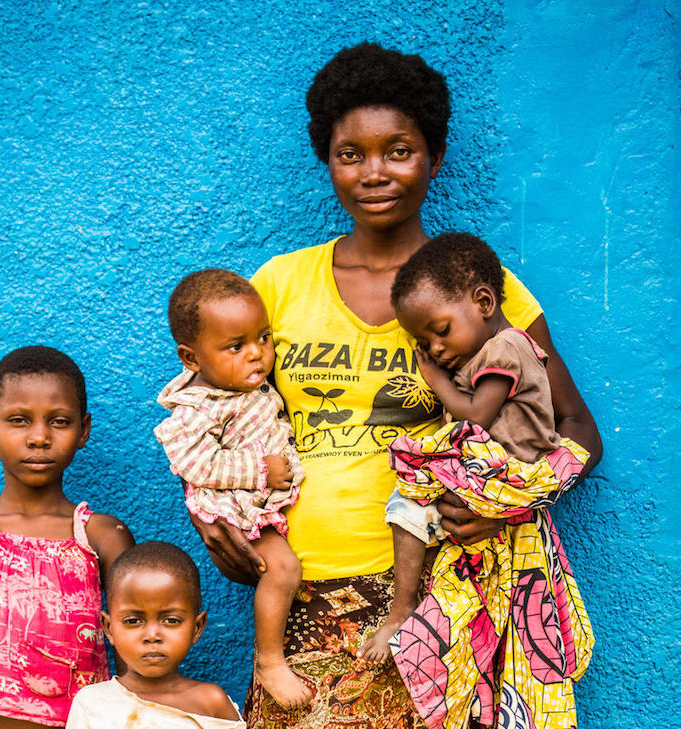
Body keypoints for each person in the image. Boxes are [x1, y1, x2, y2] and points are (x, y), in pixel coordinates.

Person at [189, 43, 601, 729]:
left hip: (441, 594)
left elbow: (576, 432)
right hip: (300, 602)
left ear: (434, 158)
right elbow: (208, 413)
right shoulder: (277, 286)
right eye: (351, 153)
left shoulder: (479, 294)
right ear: (328, 160)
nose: (374, 172)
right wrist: (207, 509)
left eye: (399, 150)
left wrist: (508, 507)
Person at [362, 232, 593, 728]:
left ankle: (401, 613)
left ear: (484, 302)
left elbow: (475, 418)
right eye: (424, 343)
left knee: (408, 499)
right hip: (493, 483)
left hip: (499, 475)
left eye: (440, 331)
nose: (436, 348)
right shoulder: (505, 349)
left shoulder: (505, 348)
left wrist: (435, 379)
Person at [0, 345, 135, 729]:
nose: (39, 437)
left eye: (59, 421)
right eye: (19, 420)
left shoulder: (103, 537)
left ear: (83, 430)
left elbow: (132, 674)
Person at [153, 269, 310, 709]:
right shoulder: (195, 409)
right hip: (237, 504)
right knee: (282, 571)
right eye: (236, 347)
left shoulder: (241, 386)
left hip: (260, 497)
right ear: (191, 358)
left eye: (264, 338)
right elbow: (196, 463)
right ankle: (270, 661)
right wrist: (262, 470)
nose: (257, 355)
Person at [65, 541, 246, 728]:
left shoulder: (210, 702)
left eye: (171, 620)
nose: (152, 636)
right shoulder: (92, 702)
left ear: (197, 627)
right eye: (133, 621)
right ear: (109, 628)